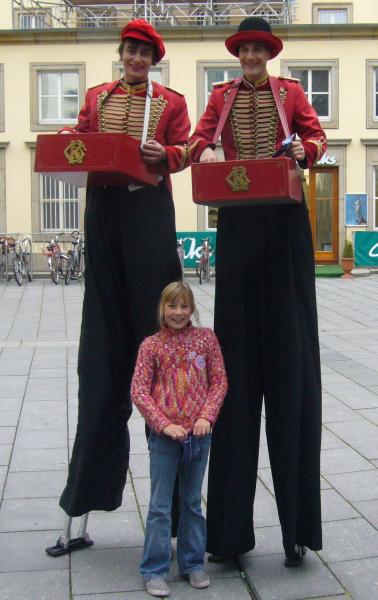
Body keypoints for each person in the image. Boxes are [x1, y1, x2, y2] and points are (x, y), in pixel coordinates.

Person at [48, 19, 192, 555]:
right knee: (101, 361)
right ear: (121, 54)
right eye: (129, 50)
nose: (134, 58)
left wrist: (168, 156)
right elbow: (84, 139)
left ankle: (180, 521)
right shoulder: (97, 95)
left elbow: (187, 148)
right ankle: (82, 502)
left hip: (149, 213)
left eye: (142, 53)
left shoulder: (171, 102)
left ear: (153, 58)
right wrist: (69, 141)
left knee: (161, 337)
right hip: (105, 213)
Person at [189, 17, 327, 567]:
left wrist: (301, 154)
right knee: (235, 372)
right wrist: (206, 154)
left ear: (267, 54)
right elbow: (198, 141)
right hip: (240, 223)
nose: (250, 55)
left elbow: (316, 137)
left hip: (286, 224)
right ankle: (228, 534)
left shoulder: (290, 93)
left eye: (257, 49)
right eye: (244, 48)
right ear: (238, 53)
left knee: (292, 366)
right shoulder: (220, 96)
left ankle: (296, 529)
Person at [131, 281, 227, 597]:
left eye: (184, 306)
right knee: (160, 506)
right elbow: (140, 391)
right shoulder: (151, 346)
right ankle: (154, 569)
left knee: (191, 502)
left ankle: (192, 563)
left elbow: (219, 382)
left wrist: (206, 417)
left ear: (192, 309)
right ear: (163, 308)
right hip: (165, 440)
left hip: (199, 438)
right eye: (172, 306)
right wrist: (162, 424)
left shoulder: (206, 340)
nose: (178, 312)